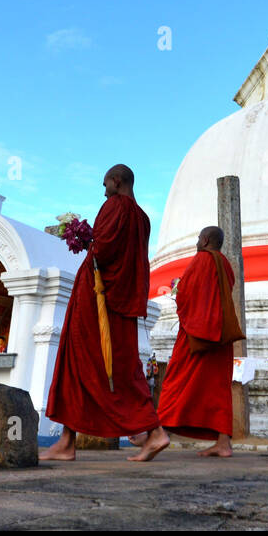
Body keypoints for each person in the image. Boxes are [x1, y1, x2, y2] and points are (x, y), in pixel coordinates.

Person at [42, 164, 171, 462]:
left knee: (79, 361)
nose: (103, 190)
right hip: (123, 303)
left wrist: (83, 238)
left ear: (116, 181)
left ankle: (153, 431)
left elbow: (103, 251)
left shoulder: (115, 206)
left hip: (97, 299)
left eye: (105, 184)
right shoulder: (143, 218)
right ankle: (67, 440)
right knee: (114, 367)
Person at [157, 226, 244, 457]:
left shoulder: (202, 259)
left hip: (197, 335)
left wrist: (179, 292)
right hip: (222, 335)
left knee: (174, 381)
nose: (197, 242)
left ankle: (155, 433)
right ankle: (223, 442)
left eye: (198, 238)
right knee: (218, 389)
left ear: (205, 240)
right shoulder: (225, 264)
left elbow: (186, 294)